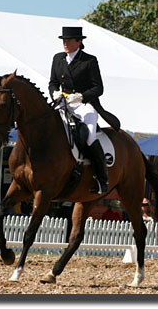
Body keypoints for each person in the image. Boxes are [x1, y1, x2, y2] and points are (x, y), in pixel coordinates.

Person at [49, 26, 116, 193]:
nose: (65, 43)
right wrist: (54, 93)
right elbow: (53, 82)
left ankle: (102, 178)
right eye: (63, 40)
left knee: (88, 137)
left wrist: (80, 96)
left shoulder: (89, 61)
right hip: (63, 103)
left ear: (78, 42)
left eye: (69, 40)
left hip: (84, 105)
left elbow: (98, 88)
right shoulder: (58, 59)